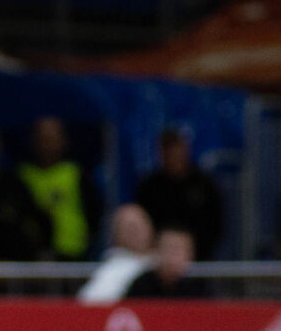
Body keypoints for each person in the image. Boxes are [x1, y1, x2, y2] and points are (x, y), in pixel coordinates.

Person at [15, 114, 99, 262]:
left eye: (52, 139)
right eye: (43, 139)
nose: (47, 145)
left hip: (73, 253)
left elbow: (94, 213)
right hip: (30, 255)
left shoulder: (75, 173)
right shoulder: (22, 175)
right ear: (33, 141)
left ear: (63, 142)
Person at [134, 126, 223, 260]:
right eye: (168, 150)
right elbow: (143, 222)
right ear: (161, 152)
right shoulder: (149, 186)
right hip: (157, 257)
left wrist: (195, 249)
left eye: (176, 149)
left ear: (185, 149)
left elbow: (216, 222)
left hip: (200, 257)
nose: (173, 155)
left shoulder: (204, 184)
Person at [79, 202, 157, 304]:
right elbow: (89, 302)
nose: (136, 232)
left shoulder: (164, 262)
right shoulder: (111, 271)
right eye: (130, 228)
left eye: (140, 225)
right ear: (117, 234)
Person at [123, 228, 209, 300]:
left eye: (177, 250)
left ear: (190, 254)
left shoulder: (199, 288)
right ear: (156, 250)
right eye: (167, 248)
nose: (171, 256)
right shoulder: (141, 285)